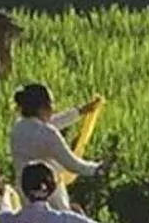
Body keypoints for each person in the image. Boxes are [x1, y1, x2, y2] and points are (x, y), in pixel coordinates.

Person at [9, 83, 103, 212]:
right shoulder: (48, 134)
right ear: (42, 108)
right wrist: (98, 169)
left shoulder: (18, 129)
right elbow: (73, 165)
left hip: (26, 197)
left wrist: (79, 112)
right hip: (51, 198)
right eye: (52, 104)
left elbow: (50, 123)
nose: (54, 109)